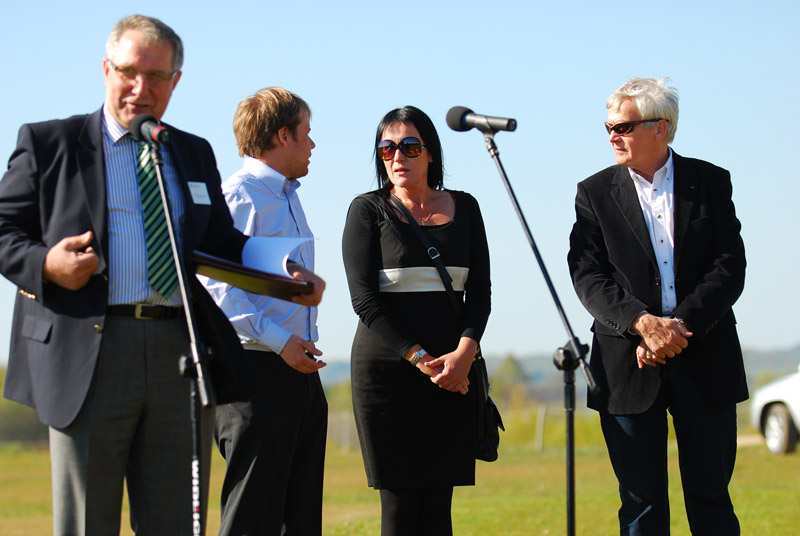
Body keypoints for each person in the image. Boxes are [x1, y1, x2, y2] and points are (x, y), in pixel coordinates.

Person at [0, 15, 322, 535]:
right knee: (88, 522)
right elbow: (4, 228)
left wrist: (283, 274)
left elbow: (222, 243)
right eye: (128, 72)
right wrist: (45, 265)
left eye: (156, 77)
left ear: (175, 81)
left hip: (180, 350)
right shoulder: (50, 143)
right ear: (106, 70)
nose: (139, 88)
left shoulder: (190, 152)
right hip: (92, 350)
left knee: (175, 523)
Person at [567, 77, 747, 535]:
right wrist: (643, 325)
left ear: (660, 128)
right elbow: (588, 275)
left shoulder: (710, 182)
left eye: (623, 127)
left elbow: (729, 267)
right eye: (608, 127)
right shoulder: (592, 193)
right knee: (641, 509)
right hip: (626, 365)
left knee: (711, 501)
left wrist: (676, 329)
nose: (613, 136)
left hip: (705, 358)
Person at [342, 105, 491, 535]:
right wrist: (424, 360)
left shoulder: (467, 207)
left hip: (455, 372)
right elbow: (365, 302)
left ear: (430, 153)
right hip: (389, 375)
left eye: (409, 147)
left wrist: (464, 355)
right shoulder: (367, 210)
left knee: (438, 507)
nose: (396, 157)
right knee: (400, 508)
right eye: (387, 148)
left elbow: (479, 294)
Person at [202, 87, 328, 535]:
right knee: (251, 520)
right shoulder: (240, 196)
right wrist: (280, 342)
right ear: (282, 136)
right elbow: (216, 286)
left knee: (301, 521)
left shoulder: (287, 195)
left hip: (298, 372)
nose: (313, 144)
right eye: (306, 134)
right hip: (255, 375)